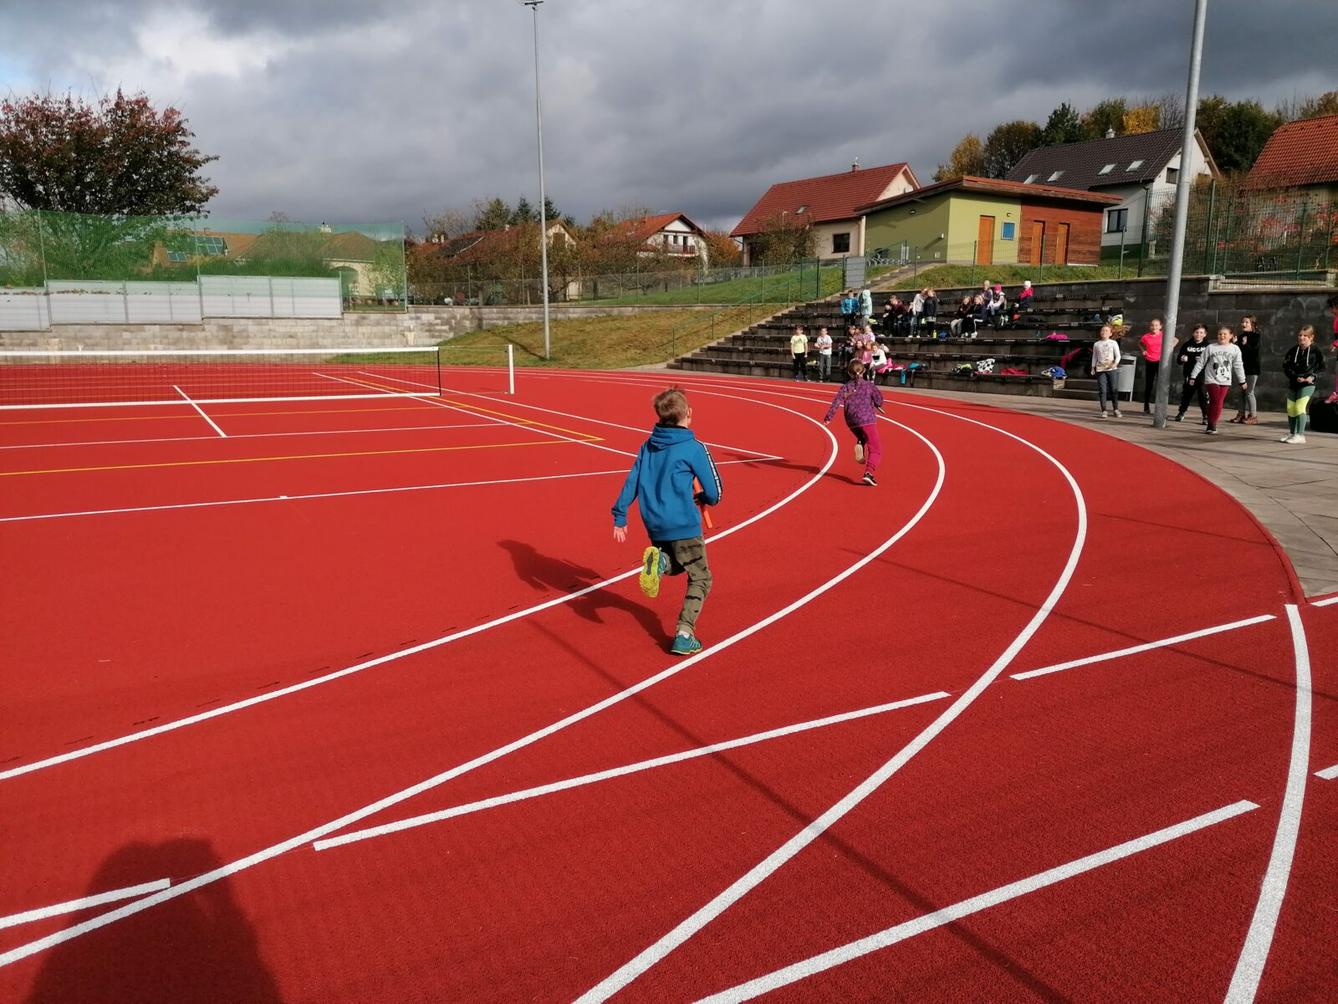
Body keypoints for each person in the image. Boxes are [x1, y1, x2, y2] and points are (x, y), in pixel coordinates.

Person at [611, 386, 722, 655]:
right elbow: (715, 491)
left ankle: (659, 561)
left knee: (677, 564)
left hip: (655, 524)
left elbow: (632, 480)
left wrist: (620, 514)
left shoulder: (647, 446)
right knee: (701, 577)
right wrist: (706, 497)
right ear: (689, 414)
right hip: (683, 523)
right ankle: (685, 632)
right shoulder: (694, 448)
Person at [823, 360, 885, 487]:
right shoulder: (869, 385)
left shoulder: (846, 387)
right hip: (867, 418)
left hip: (851, 421)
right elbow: (879, 400)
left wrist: (828, 418)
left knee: (862, 434)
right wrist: (876, 403)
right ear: (864, 371)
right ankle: (869, 473)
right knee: (876, 449)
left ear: (849, 373)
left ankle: (860, 442)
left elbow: (836, 402)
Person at [1190, 326, 1248, 435]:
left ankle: (1212, 422)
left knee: (1218, 402)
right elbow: (1201, 362)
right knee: (1215, 400)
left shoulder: (1235, 349)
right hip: (1211, 378)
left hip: (1225, 379)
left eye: (1224, 334)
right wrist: (1193, 376)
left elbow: (1238, 365)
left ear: (1231, 336)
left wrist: (1242, 381)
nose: (1222, 336)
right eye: (1220, 334)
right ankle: (1211, 425)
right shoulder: (1211, 347)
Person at [1281, 325, 1326, 444]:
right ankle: (1292, 433)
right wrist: (1295, 377)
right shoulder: (1293, 350)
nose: (1302, 338)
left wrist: (1312, 377)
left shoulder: (1316, 351)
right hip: (1294, 383)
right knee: (1291, 408)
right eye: (1300, 335)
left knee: (1300, 407)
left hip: (1308, 385)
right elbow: (1286, 366)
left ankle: (1300, 435)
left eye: (1305, 336)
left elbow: (1322, 367)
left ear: (1311, 338)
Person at [1173, 323, 1210, 423]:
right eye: (1196, 332)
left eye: (1201, 332)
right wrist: (1182, 358)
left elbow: (1212, 360)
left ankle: (1206, 416)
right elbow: (1179, 360)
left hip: (1203, 374)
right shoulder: (1187, 345)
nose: (1198, 334)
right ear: (1193, 333)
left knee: (1203, 395)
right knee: (1187, 394)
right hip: (1189, 374)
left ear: (1205, 334)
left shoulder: (1208, 346)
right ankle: (1181, 413)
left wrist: (1203, 360)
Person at [1231, 315, 1262, 424]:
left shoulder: (1256, 336)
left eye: (1246, 322)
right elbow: (1237, 352)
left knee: (1249, 392)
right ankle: (1241, 414)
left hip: (1252, 369)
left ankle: (1253, 416)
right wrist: (1235, 344)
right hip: (1241, 368)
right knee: (1241, 392)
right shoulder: (1240, 336)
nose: (1243, 324)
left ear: (1252, 324)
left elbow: (1254, 352)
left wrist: (1245, 344)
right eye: (1242, 322)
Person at [1092, 324, 1122, 418]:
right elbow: (1095, 356)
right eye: (1102, 330)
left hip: (1111, 368)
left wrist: (1115, 364)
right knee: (1102, 390)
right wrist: (1093, 367)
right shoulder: (1096, 344)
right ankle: (1104, 410)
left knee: (1113, 389)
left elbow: (1118, 355)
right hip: (1100, 369)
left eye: (1106, 331)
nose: (1104, 332)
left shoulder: (1113, 343)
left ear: (1110, 333)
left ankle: (1116, 409)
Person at [1138, 318, 1164, 414]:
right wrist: (1143, 351)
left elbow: (1175, 340)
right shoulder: (1146, 337)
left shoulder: (1164, 335)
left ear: (1160, 326)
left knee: (1161, 384)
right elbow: (1140, 343)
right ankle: (1146, 405)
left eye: (1156, 325)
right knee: (1149, 384)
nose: (1154, 327)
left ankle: (1160, 406)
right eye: (1152, 325)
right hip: (1150, 361)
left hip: (1161, 362)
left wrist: (1168, 349)